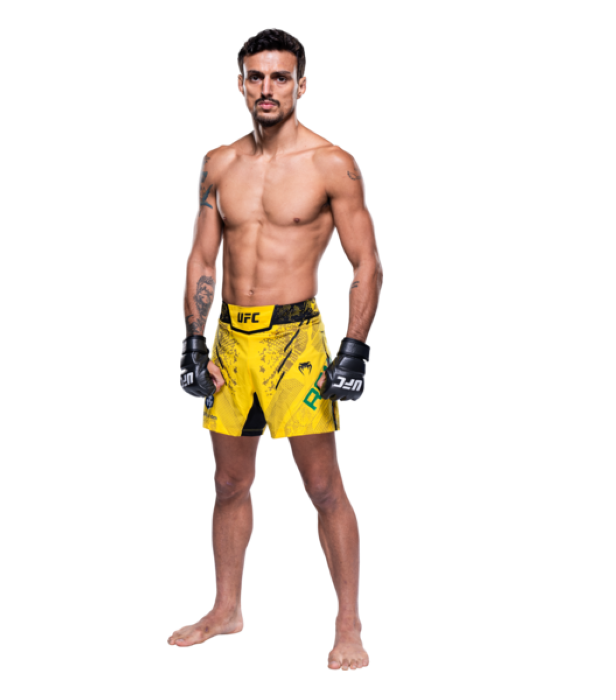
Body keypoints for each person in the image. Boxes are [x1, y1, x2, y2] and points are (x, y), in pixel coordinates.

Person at [173, 28, 383, 672]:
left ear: (301, 85)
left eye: (280, 77)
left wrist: (354, 349)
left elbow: (366, 264)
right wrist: (193, 341)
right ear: (241, 84)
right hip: (231, 338)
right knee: (229, 481)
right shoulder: (218, 163)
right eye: (256, 76)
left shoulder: (331, 163)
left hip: (297, 338)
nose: (268, 88)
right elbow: (202, 259)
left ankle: (349, 625)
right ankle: (226, 609)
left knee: (322, 486)